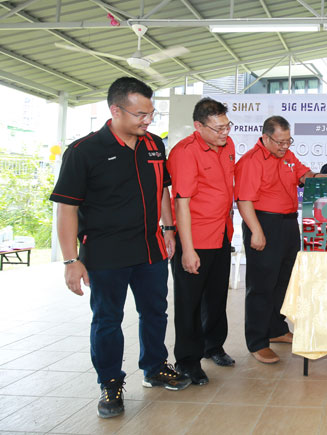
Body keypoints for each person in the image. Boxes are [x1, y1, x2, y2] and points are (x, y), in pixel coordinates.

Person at [50, 77, 190, 419]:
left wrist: (168, 228)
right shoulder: (84, 151)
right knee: (108, 320)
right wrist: (70, 260)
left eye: (151, 113)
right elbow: (66, 208)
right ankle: (110, 382)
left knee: (155, 312)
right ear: (115, 110)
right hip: (105, 253)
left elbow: (162, 190)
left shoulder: (154, 144)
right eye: (140, 114)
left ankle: (155, 367)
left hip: (150, 249)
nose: (148, 120)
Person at [235, 116, 327, 364]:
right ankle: (257, 341)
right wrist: (256, 231)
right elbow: (244, 200)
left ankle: (276, 328)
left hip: (288, 223)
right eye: (280, 142)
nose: (285, 146)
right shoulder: (251, 161)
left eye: (288, 141)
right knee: (261, 285)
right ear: (265, 138)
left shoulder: (287, 155)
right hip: (264, 223)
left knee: (283, 280)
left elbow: (304, 175)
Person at [166, 98, 236, 386]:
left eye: (227, 126)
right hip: (194, 238)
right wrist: (188, 250)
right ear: (198, 126)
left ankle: (213, 346)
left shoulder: (228, 146)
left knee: (217, 297)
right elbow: (181, 203)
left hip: (222, 234)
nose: (225, 133)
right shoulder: (184, 153)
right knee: (189, 303)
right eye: (218, 128)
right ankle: (187, 361)